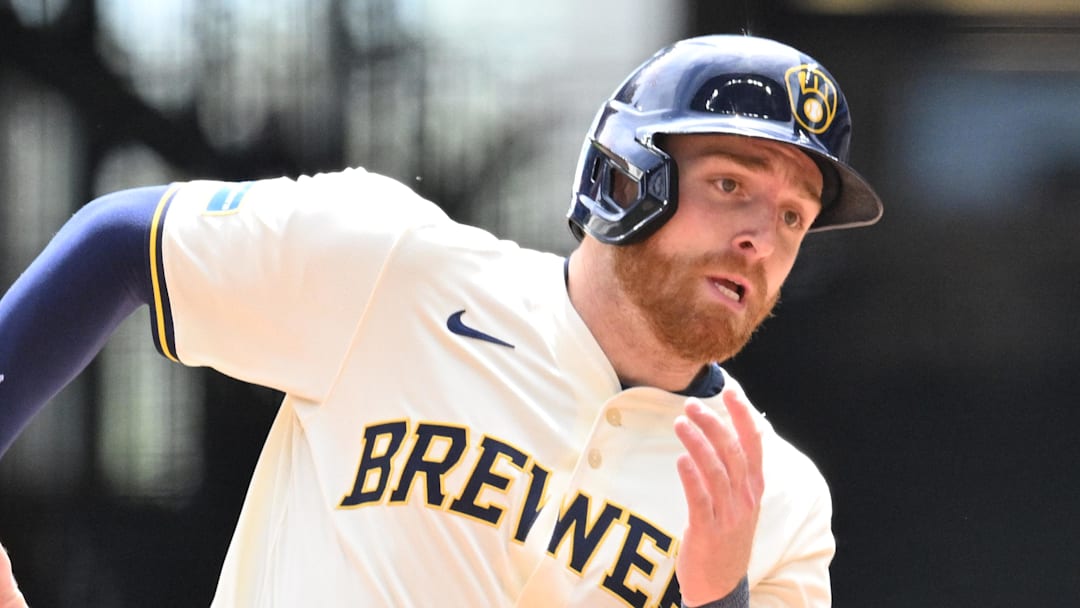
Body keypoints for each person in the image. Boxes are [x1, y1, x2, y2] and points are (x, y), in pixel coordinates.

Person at [0, 34, 883, 607]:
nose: (761, 237)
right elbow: (121, 241)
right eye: (731, 184)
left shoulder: (780, 501)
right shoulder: (393, 269)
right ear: (626, 177)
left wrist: (720, 589)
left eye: (793, 216)